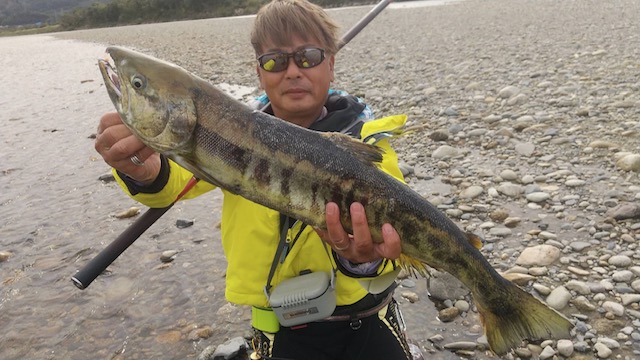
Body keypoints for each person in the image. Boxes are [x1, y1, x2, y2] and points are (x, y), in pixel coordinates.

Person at [95, 0, 415, 359]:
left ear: (332, 65)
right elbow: (171, 183)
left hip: (369, 320)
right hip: (283, 330)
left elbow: (403, 228)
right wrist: (142, 170)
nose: (293, 71)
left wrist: (363, 260)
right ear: (260, 73)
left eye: (308, 57)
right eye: (275, 61)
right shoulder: (229, 133)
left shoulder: (368, 140)